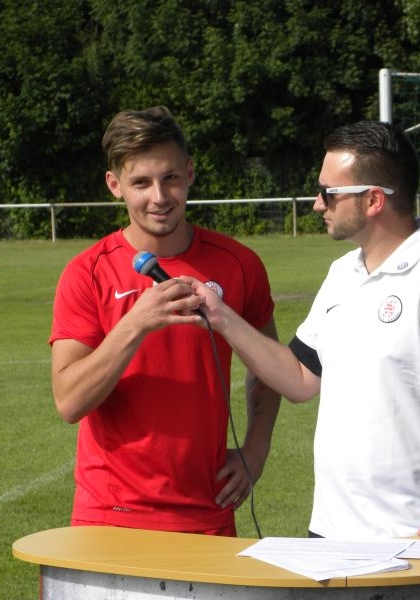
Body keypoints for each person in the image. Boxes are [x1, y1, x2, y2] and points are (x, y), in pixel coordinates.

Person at [184, 120, 420, 545]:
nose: (318, 204)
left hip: (412, 534)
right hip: (329, 532)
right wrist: (221, 316)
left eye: (329, 193)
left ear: (373, 200)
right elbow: (299, 378)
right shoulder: (342, 272)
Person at [49, 106, 281, 536]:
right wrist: (136, 323)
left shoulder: (239, 263)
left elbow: (271, 367)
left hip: (208, 510)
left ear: (189, 172)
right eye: (141, 182)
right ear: (115, 185)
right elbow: (69, 402)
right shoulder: (87, 272)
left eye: (170, 177)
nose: (159, 196)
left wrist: (256, 449)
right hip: (109, 515)